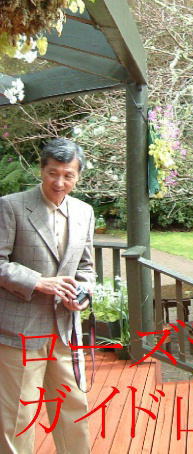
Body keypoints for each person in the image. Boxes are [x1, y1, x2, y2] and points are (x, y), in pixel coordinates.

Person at [0, 138, 95, 453]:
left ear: (78, 176)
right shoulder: (11, 206)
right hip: (20, 331)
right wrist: (39, 282)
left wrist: (82, 295)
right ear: (41, 170)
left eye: (68, 175)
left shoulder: (84, 212)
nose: (59, 182)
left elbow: (86, 268)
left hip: (65, 330)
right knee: (18, 416)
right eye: (53, 173)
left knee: (74, 409)